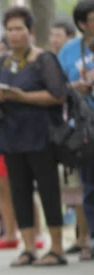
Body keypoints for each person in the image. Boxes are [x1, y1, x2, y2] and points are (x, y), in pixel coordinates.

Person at [0, 6, 67, 266]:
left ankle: (58, 248)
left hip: (41, 136)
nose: (14, 34)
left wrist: (23, 97)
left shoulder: (43, 59)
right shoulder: (3, 62)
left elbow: (58, 95)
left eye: (19, 29)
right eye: (10, 29)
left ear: (29, 32)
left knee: (49, 191)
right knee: (19, 192)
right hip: (11, 137)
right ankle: (28, 247)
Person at [58, 0, 94, 259]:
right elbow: (58, 88)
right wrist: (75, 88)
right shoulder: (69, 52)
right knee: (89, 185)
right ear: (82, 23)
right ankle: (91, 238)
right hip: (86, 128)